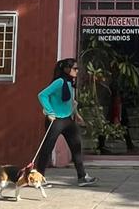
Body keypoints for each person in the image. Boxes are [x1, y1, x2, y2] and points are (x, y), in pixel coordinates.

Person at [37, 58, 97, 186]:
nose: (77, 71)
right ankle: (39, 177)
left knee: (76, 147)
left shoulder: (70, 83)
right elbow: (42, 95)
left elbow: (70, 102)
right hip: (56, 120)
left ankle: (82, 177)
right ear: (66, 69)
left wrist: (77, 115)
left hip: (68, 120)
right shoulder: (59, 82)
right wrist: (49, 112)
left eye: (77, 68)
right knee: (47, 149)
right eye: (75, 68)